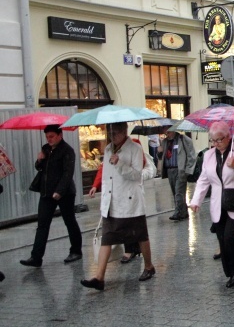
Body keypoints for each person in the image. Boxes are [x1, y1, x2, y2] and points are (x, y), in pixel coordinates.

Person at [81, 122, 156, 290]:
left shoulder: (135, 149)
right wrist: (97, 186)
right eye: (110, 132)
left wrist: (120, 164)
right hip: (111, 201)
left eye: (115, 133)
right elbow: (105, 173)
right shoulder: (108, 149)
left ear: (124, 132)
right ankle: (99, 277)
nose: (112, 136)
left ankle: (149, 266)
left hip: (130, 201)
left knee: (141, 236)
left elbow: (137, 175)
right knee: (107, 238)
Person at [190, 122, 234, 291]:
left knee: (231, 238)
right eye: (212, 140)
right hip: (218, 204)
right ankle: (231, 273)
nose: (215, 144)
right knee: (222, 241)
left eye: (219, 140)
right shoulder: (209, 155)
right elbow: (204, 179)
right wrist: (196, 200)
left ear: (228, 137)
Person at [20, 125, 82, 268]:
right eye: (47, 137)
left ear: (60, 135)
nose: (49, 140)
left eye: (52, 136)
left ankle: (76, 251)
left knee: (69, 221)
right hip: (46, 192)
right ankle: (36, 257)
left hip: (65, 193)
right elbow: (40, 168)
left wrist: (59, 191)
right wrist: (39, 160)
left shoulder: (67, 151)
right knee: (42, 224)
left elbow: (68, 173)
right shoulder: (46, 149)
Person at [160, 128, 197, 221]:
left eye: (168, 131)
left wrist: (188, 169)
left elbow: (191, 154)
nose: (167, 133)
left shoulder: (182, 139)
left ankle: (178, 212)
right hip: (169, 170)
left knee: (178, 192)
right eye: (165, 131)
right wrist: (159, 152)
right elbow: (161, 157)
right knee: (175, 192)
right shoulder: (164, 142)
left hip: (180, 170)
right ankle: (183, 212)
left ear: (173, 129)